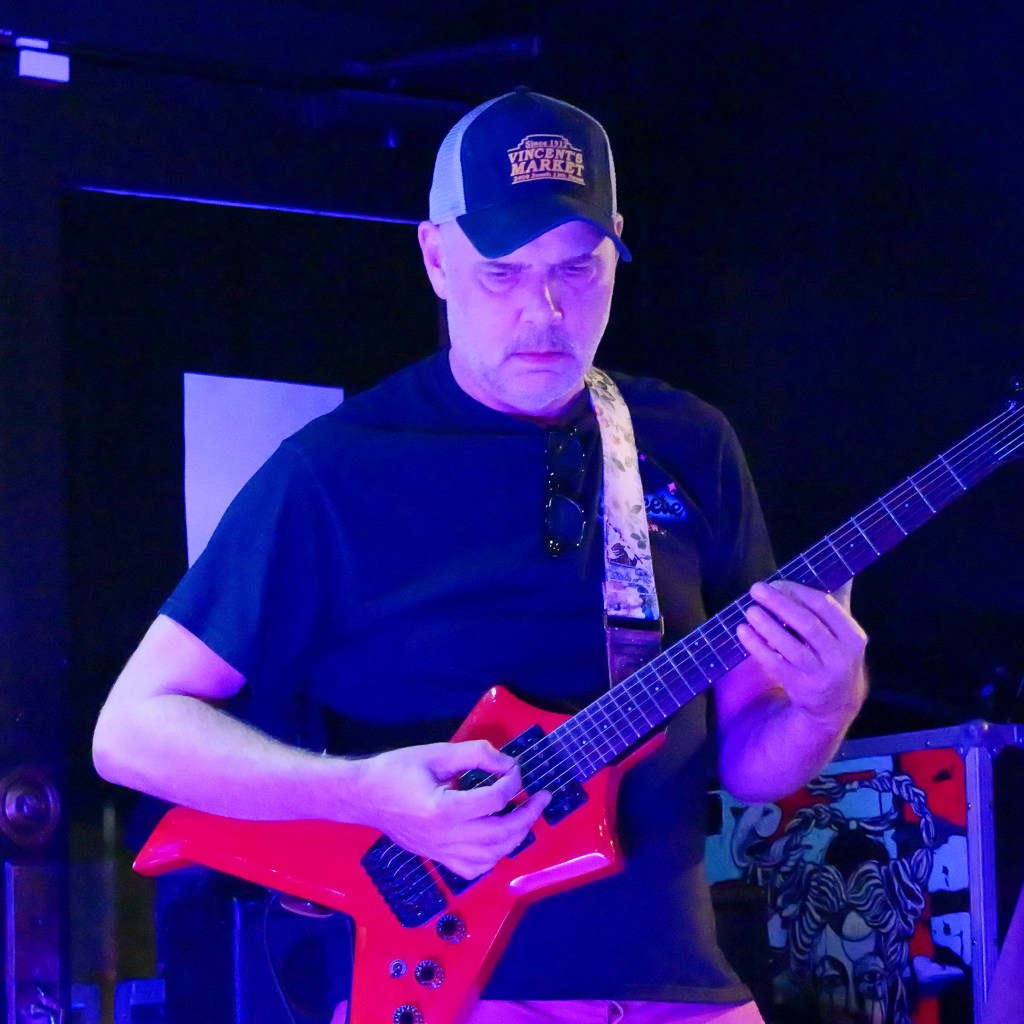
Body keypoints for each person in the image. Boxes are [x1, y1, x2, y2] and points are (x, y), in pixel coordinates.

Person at [93, 89, 868, 1024]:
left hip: (677, 987)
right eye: (502, 271)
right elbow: (130, 731)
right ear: (435, 257)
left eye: (579, 268)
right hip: (448, 987)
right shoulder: (335, 471)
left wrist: (829, 700)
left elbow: (751, 763)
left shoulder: (687, 441)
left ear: (618, 243)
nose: (544, 309)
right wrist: (364, 793)